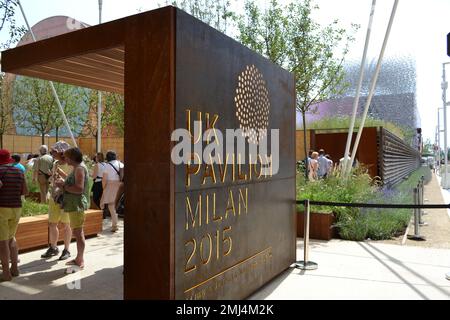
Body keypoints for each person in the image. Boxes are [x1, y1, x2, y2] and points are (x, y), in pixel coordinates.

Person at [55, 147, 89, 273]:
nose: (65, 159)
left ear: (72, 157)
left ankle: (80, 260)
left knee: (78, 233)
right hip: (74, 205)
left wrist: (63, 185)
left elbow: (79, 189)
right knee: (77, 232)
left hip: (76, 205)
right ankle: (78, 258)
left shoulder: (79, 169)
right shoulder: (77, 168)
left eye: (66, 157)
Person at [40, 141, 72, 261]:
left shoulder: (71, 164)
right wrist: (51, 190)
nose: (52, 153)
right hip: (55, 197)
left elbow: (72, 181)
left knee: (66, 224)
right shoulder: (55, 163)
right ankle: (53, 247)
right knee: (52, 223)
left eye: (54, 151)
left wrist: (60, 174)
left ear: (62, 152)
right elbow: (54, 179)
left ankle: (66, 249)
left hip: (66, 197)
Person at [0, 149, 27, 281]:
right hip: (17, 208)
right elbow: (25, 191)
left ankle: (5, 273)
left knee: (2, 242)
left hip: (2, 209)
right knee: (11, 238)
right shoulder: (20, 171)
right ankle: (15, 268)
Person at [100, 151, 124, 233]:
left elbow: (104, 179)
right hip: (121, 185)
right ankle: (115, 223)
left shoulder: (107, 166)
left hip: (111, 186)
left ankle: (115, 225)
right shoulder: (120, 164)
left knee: (111, 205)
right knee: (116, 204)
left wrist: (104, 188)